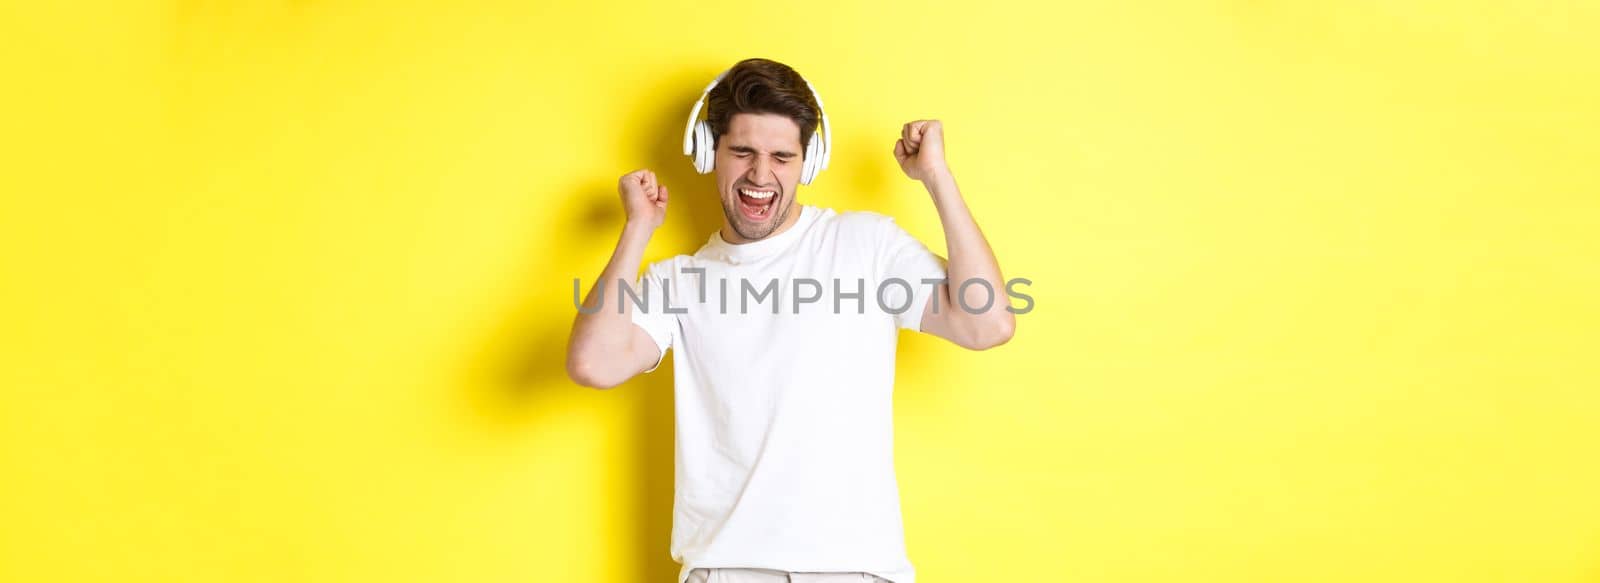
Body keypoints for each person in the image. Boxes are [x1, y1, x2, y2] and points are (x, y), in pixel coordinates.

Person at [566, 58, 1015, 583]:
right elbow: (593, 363)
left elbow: (988, 324)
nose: (761, 175)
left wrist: (936, 177)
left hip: (854, 571)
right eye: (743, 152)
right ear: (710, 153)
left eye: (782, 156)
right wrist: (638, 229)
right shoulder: (676, 283)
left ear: (809, 159)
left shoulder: (864, 245)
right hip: (726, 571)